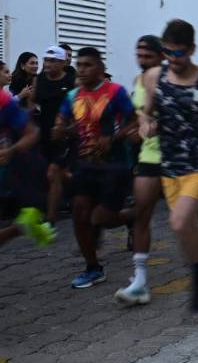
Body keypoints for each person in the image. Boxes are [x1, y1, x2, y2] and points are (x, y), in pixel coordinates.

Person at [139, 19, 198, 311]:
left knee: (178, 222)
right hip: (170, 166)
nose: (173, 59)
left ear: (191, 49)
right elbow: (146, 112)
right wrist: (146, 124)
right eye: (167, 52)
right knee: (186, 230)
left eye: (178, 53)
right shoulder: (154, 76)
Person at [53, 47, 136, 289]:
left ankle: (136, 213)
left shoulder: (115, 92)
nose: (82, 70)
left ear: (99, 68)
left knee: (103, 218)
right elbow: (63, 123)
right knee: (80, 214)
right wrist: (61, 130)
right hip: (84, 165)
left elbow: (133, 121)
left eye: (87, 65)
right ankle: (93, 268)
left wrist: (113, 138)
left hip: (114, 165)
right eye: (79, 65)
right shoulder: (72, 96)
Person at [114, 35, 165, 305]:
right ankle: (140, 282)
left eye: (148, 57)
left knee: (193, 217)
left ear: (162, 57)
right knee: (142, 213)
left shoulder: (172, 80)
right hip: (148, 155)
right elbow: (138, 118)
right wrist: (134, 132)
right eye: (140, 56)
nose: (142, 62)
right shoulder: (137, 82)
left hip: (177, 157)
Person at [0, 89, 55, 248]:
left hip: (20, 167)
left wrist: (11, 150)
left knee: (28, 215)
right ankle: (27, 227)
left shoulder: (4, 101)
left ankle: (27, 226)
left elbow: (33, 132)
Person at [34, 46, 76, 225]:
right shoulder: (40, 79)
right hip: (44, 133)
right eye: (46, 60)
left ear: (62, 63)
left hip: (65, 134)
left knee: (53, 173)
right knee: (63, 175)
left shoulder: (72, 81)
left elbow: (80, 111)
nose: (47, 64)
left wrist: (67, 129)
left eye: (52, 61)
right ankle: (87, 194)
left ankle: (50, 220)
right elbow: (33, 103)